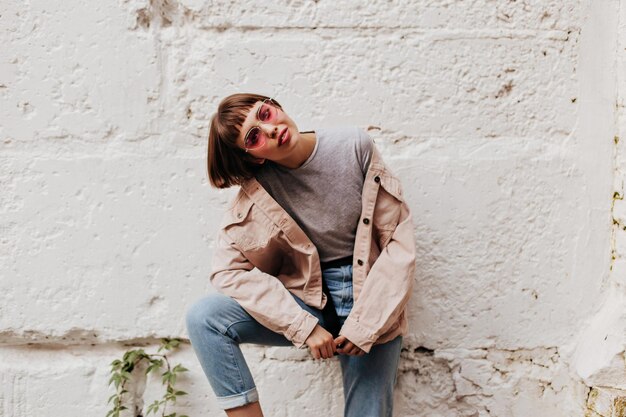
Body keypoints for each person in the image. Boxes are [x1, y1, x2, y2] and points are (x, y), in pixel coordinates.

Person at [185, 93, 416, 417]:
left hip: (370, 295)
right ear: (254, 158)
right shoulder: (258, 191)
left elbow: (397, 243)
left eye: (265, 114)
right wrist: (302, 326)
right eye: (254, 137)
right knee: (204, 318)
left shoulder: (353, 145)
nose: (270, 129)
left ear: (275, 105)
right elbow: (226, 271)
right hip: (310, 302)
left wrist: (365, 325)